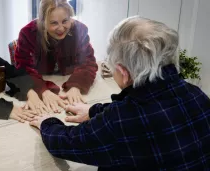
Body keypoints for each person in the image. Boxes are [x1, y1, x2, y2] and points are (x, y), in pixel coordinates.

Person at [30, 16, 210, 170]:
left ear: (124, 73)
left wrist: (47, 122)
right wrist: (94, 111)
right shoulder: (197, 95)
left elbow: (66, 142)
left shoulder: (121, 120)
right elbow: (153, 109)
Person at [14, 0, 98, 114]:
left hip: (68, 80)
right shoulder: (27, 33)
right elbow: (22, 68)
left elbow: (88, 62)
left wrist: (76, 86)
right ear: (43, 22)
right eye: (54, 23)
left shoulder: (80, 30)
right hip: (40, 81)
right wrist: (43, 90)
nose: (61, 28)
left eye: (65, 21)